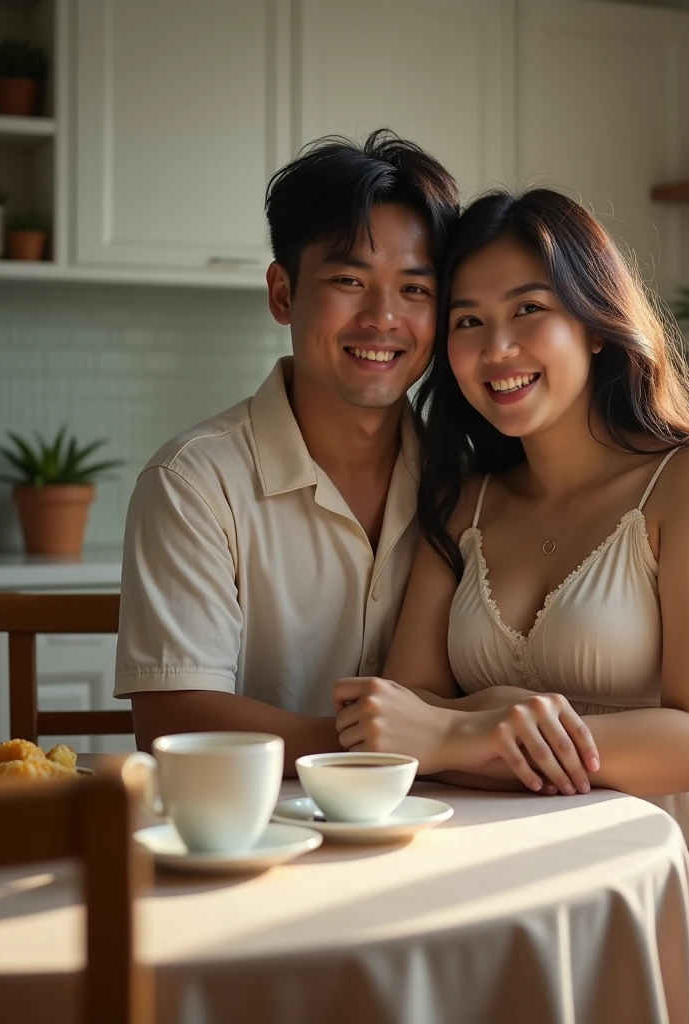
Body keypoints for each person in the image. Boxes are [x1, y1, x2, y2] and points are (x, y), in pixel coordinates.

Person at [332, 189, 689, 1023]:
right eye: (469, 321)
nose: (499, 348)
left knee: (585, 992)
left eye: (531, 310)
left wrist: (470, 725)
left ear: (596, 324)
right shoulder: (466, 506)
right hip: (578, 851)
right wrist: (454, 721)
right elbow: (400, 719)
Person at [114, 131, 459, 772]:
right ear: (282, 293)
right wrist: (408, 747)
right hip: (250, 834)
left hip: (439, 823)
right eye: (350, 279)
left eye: (415, 289)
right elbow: (173, 720)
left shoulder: (465, 479)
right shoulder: (194, 481)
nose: (383, 317)